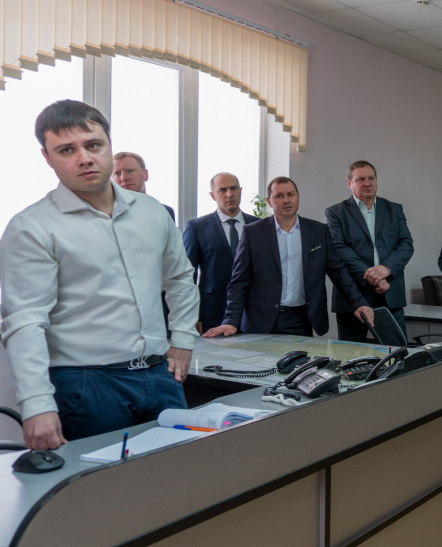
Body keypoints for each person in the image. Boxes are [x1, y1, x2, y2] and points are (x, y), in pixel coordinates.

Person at [0, 99, 200, 449]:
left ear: (108, 144)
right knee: (101, 483)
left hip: (160, 375)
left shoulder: (151, 211)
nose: (84, 158)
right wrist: (36, 403)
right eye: (67, 149)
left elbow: (180, 278)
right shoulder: (32, 227)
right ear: (47, 157)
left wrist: (183, 341)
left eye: (93, 145)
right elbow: (25, 321)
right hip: (85, 386)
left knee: (177, 473)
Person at [204, 177, 373, 338]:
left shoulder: (318, 231)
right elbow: (239, 281)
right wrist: (231, 320)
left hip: (301, 318)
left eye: (291, 194)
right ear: (269, 201)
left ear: (298, 197)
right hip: (260, 319)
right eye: (279, 196)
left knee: (299, 360)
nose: (286, 200)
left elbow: (338, 272)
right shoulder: (252, 232)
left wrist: (359, 303)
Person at [325, 160, 414, 342]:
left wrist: (386, 269)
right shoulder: (335, 213)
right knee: (352, 355)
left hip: (389, 294)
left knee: (396, 352)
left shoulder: (394, 209)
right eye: (361, 179)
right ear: (349, 183)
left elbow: (406, 244)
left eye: (371, 178)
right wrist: (372, 275)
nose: (367, 183)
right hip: (353, 296)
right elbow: (339, 249)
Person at [182, 173, 259, 333]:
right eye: (222, 190)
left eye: (234, 188)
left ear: (240, 191)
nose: (229, 194)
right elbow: (188, 274)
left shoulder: (258, 225)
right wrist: (191, 315)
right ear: (213, 195)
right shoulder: (197, 227)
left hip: (254, 311)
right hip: (213, 311)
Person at [113, 151, 175, 220]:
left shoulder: (164, 212)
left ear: (146, 174)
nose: (123, 178)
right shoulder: (106, 215)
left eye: (130, 171)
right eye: (117, 174)